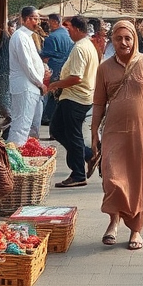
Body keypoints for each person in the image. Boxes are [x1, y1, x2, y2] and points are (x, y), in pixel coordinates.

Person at [91, 21, 143, 251]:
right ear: (112, 40)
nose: (123, 43)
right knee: (112, 178)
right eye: (118, 38)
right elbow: (98, 103)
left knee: (138, 180)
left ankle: (136, 229)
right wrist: (94, 132)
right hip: (113, 131)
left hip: (141, 131)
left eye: (128, 38)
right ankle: (113, 221)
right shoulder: (104, 68)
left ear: (135, 39)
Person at [48, 15, 100, 188]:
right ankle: (87, 156)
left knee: (72, 134)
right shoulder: (86, 45)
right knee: (58, 129)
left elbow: (76, 78)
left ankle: (78, 173)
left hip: (75, 97)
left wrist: (55, 84)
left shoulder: (80, 48)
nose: (67, 31)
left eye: (69, 28)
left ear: (77, 29)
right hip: (76, 96)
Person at [8, 7, 48, 145]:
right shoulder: (19, 36)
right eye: (33, 18)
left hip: (32, 87)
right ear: (23, 19)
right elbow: (27, 65)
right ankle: (14, 158)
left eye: (37, 19)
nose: (36, 22)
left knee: (31, 126)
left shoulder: (28, 36)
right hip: (25, 86)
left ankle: (25, 154)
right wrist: (39, 82)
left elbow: (33, 62)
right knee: (21, 125)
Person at [40, 12, 72, 125]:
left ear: (54, 22)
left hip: (54, 68)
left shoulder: (52, 37)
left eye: (49, 22)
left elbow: (45, 56)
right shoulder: (69, 35)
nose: (48, 25)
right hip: (67, 68)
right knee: (59, 94)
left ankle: (47, 116)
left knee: (49, 94)